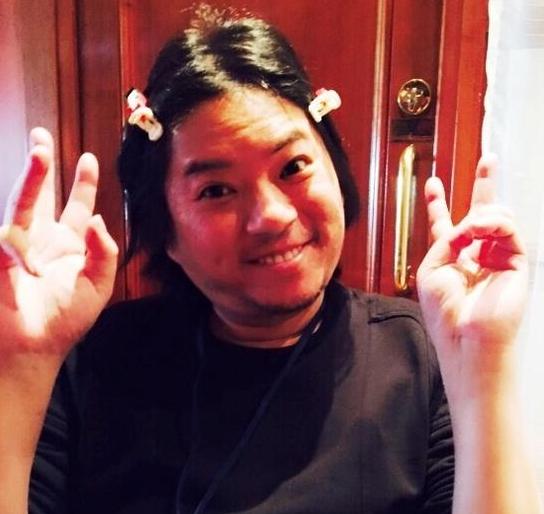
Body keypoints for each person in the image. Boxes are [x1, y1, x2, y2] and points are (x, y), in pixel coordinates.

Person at [0, 7, 541, 514]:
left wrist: (482, 361)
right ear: (166, 232)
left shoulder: (423, 355)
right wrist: (18, 368)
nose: (272, 216)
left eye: (293, 167)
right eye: (216, 191)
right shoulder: (94, 363)